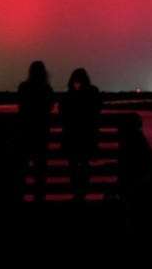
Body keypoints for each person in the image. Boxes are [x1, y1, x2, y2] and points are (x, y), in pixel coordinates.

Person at [59, 67, 103, 196]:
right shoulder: (93, 92)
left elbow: (62, 112)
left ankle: (77, 193)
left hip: (72, 139)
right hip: (88, 138)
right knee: (84, 163)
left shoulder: (68, 97)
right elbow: (97, 108)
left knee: (73, 164)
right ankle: (81, 193)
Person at [16, 60, 55, 196]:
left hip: (26, 133)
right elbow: (49, 107)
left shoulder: (23, 87)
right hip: (41, 134)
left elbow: (22, 107)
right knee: (40, 170)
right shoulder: (47, 90)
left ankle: (20, 197)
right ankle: (40, 198)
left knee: (23, 169)